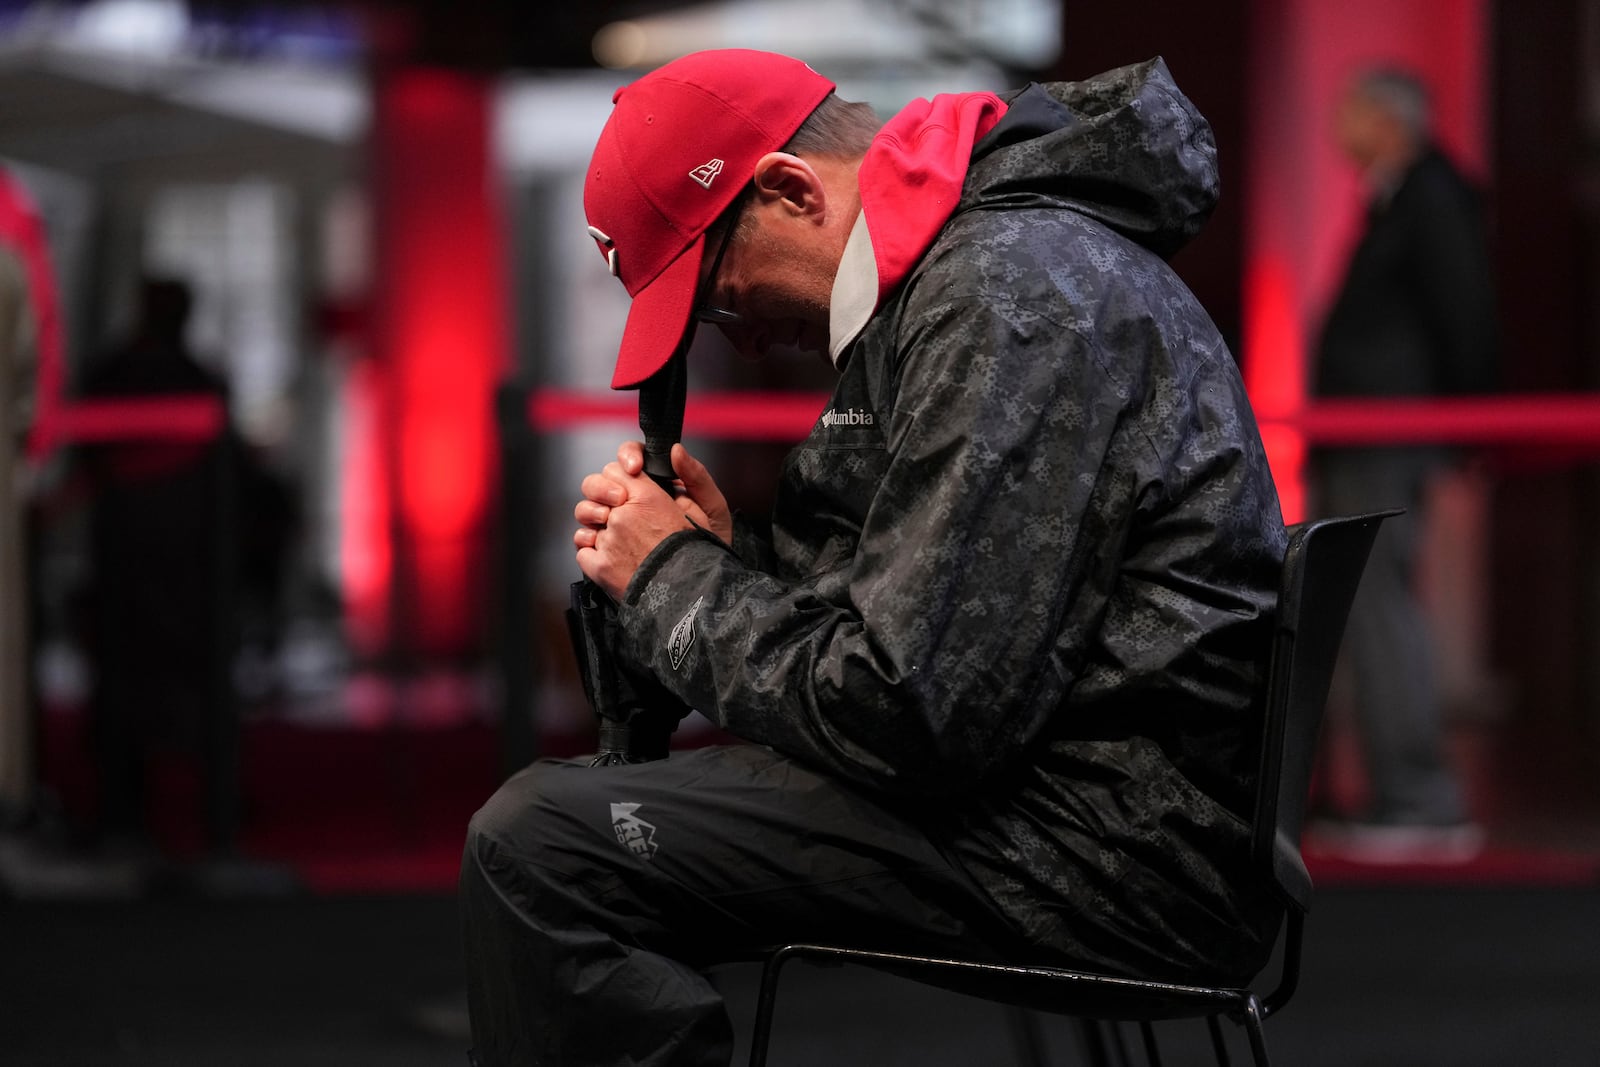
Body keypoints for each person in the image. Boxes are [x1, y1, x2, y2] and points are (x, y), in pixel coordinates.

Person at [461, 49, 1288, 1066]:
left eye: (717, 296)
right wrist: (719, 564)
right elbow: (904, 623)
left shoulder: (1002, 297)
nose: (744, 341)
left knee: (545, 844)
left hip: (1107, 849)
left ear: (788, 188)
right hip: (1079, 801)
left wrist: (676, 581)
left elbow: (911, 713)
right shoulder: (968, 280)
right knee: (559, 825)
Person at [1309, 67, 1495, 861]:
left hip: (1388, 437)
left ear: (1387, 121)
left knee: (1383, 608)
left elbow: (1467, 316)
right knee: (1367, 611)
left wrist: (1470, 430)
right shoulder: (1399, 198)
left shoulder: (1431, 201)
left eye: (1349, 110)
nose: (1337, 127)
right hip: (1362, 436)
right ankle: (1394, 793)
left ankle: (1418, 795)